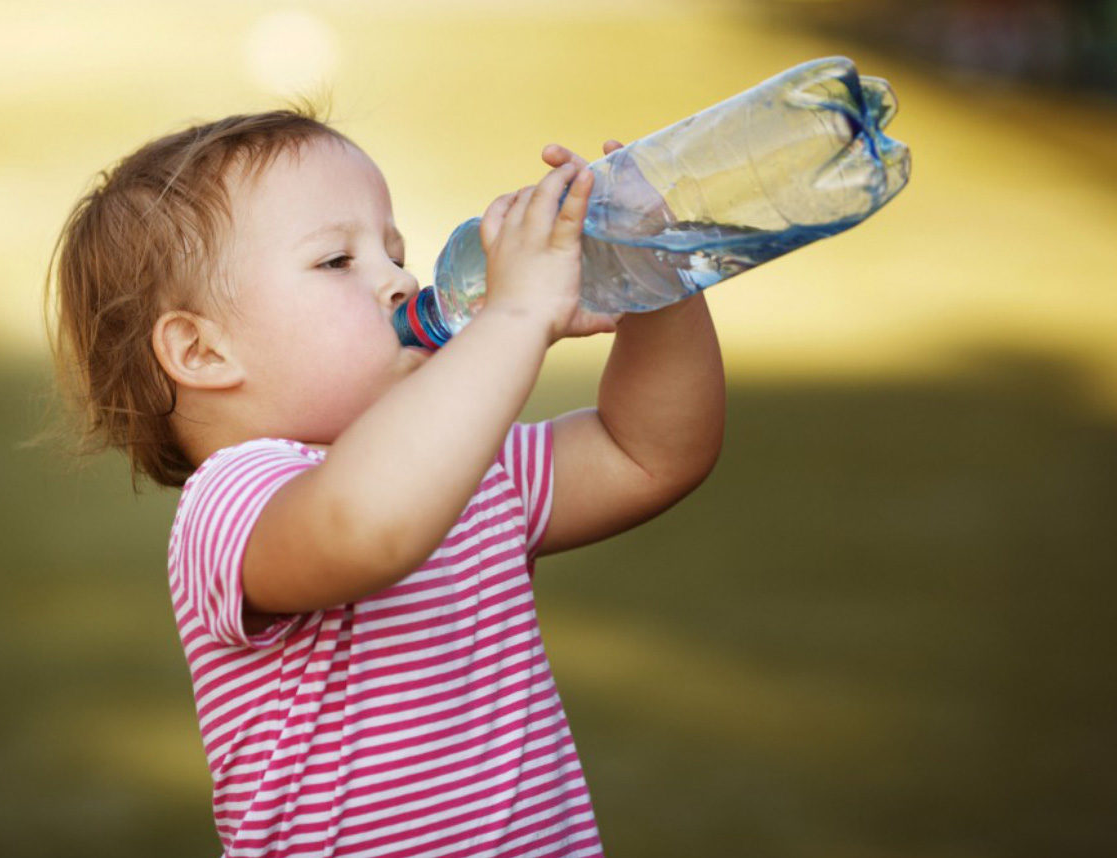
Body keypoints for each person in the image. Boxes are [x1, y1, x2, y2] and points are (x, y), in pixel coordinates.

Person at [47, 105, 725, 858]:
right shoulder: (233, 500)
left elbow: (653, 454)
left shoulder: (471, 467)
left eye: (394, 251)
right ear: (201, 352)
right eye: (338, 261)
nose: (401, 279)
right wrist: (518, 313)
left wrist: (656, 279)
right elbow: (367, 528)